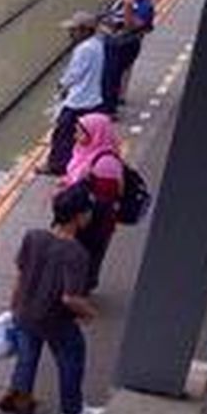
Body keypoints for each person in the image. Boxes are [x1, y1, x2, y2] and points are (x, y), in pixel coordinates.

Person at [0, 186, 104, 414]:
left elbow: (21, 275)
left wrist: (13, 307)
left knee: (26, 360)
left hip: (25, 311)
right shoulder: (76, 253)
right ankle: (72, 410)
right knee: (71, 358)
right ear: (78, 216)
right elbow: (69, 298)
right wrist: (89, 313)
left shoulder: (33, 237)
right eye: (88, 212)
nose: (90, 216)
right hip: (56, 320)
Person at [60, 113, 123, 292]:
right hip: (77, 216)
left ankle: (78, 291)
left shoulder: (106, 164)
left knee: (86, 256)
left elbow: (106, 199)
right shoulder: (84, 151)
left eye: (80, 133)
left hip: (93, 222)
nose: (75, 136)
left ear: (96, 134)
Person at [37, 11, 105, 176]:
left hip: (78, 101)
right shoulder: (98, 44)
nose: (70, 33)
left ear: (84, 30)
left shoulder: (83, 49)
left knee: (61, 135)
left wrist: (62, 85)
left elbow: (74, 74)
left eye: (74, 30)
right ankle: (79, 162)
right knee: (82, 136)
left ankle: (57, 166)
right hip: (93, 99)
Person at [101, 0, 155, 116]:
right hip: (111, 42)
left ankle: (109, 109)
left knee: (112, 76)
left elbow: (131, 26)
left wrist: (128, 7)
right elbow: (108, 15)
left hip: (124, 45)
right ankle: (108, 105)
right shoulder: (120, 0)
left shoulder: (144, 6)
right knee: (109, 76)